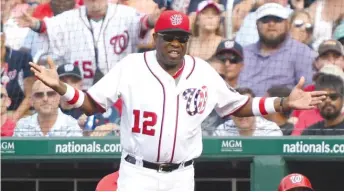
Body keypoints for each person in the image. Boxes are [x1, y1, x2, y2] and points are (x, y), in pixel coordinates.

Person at [28, 10, 327, 191]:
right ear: (156, 36)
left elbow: (237, 105)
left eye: (181, 37)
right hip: (137, 173)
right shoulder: (132, 65)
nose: (175, 43)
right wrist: (63, 89)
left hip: (182, 175)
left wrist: (283, 104)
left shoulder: (203, 71)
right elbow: (93, 104)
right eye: (169, 36)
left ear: (188, 40)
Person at [16, 0, 163, 90]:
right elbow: (48, 27)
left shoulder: (125, 14)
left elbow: (142, 24)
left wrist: (151, 20)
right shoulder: (70, 17)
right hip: (81, 89)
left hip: (119, 88)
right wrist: (34, 24)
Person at [13, 80, 82, 137]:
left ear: (59, 98)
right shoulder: (22, 126)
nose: (45, 99)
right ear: (31, 100)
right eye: (39, 95)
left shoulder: (71, 125)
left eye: (51, 94)